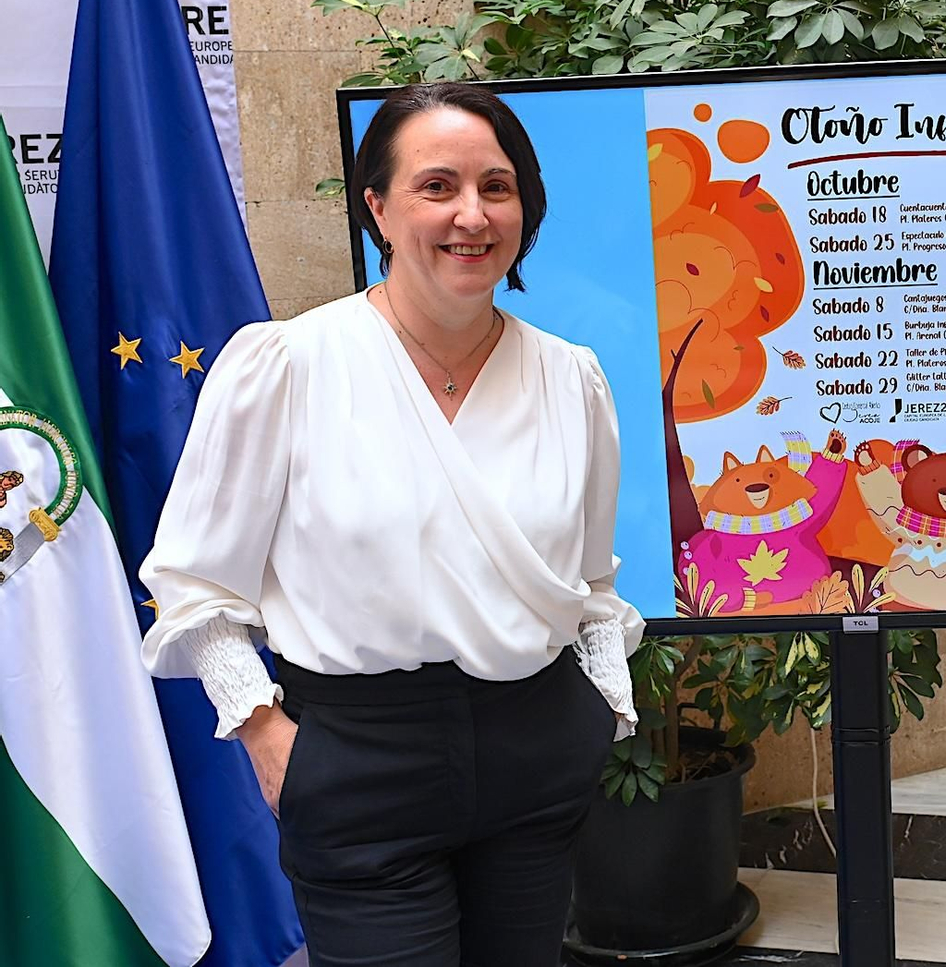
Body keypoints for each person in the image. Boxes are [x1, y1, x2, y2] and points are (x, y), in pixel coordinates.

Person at [140, 82, 644, 966]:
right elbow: (194, 586)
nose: (471, 216)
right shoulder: (287, 366)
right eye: (437, 186)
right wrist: (265, 731)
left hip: (538, 755)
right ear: (377, 206)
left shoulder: (574, 379)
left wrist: (603, 706)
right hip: (357, 762)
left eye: (498, 186)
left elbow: (592, 582)